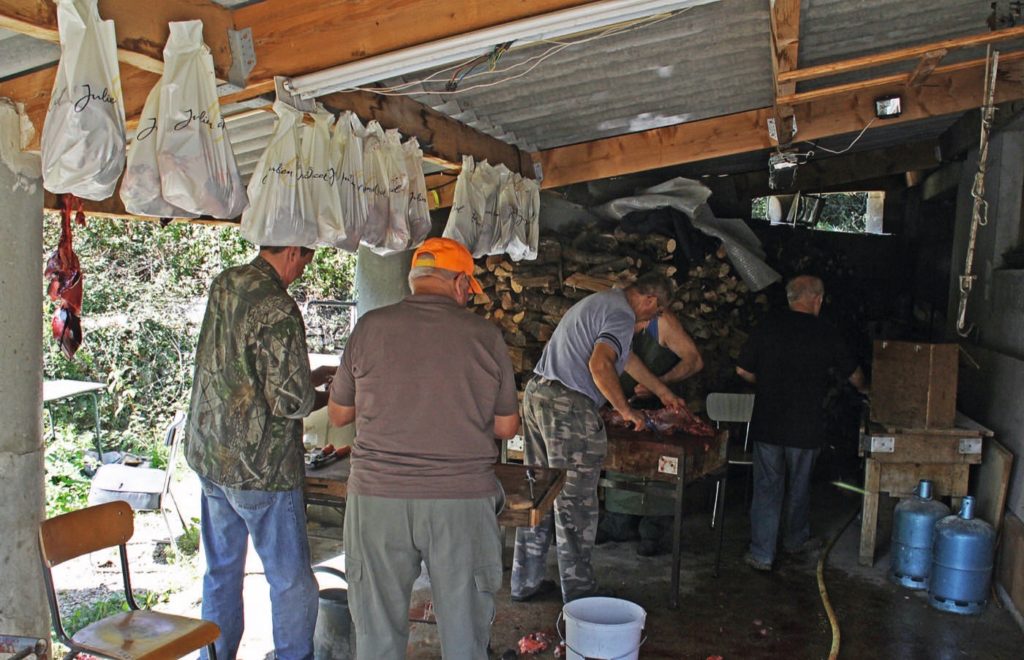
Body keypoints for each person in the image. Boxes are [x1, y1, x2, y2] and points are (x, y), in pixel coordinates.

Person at [327, 237, 520, 659]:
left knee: (377, 637)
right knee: (465, 636)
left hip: (377, 500)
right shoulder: (484, 336)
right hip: (460, 502)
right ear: (462, 285)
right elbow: (507, 427)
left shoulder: (369, 328)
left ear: (415, 280)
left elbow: (339, 415)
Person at [185, 244, 335, 660]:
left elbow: (236, 365)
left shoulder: (226, 283)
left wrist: (311, 376)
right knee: (290, 581)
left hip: (211, 457)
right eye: (305, 261)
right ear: (291, 251)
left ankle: (214, 656)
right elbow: (291, 402)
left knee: (221, 572)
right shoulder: (278, 307)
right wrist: (326, 393)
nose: (303, 270)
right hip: (261, 470)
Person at [510, 273, 685, 603]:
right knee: (575, 503)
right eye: (655, 315)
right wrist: (626, 410)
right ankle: (579, 593)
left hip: (538, 395)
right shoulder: (622, 313)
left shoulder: (604, 302)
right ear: (650, 302)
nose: (649, 323)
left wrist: (663, 392)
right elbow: (601, 364)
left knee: (538, 491)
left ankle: (525, 581)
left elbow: (625, 359)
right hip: (568, 406)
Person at [736, 275, 865, 572]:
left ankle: (762, 554)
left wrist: (765, 381)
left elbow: (742, 369)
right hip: (805, 427)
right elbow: (854, 375)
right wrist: (867, 388)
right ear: (817, 299)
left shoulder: (769, 326)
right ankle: (795, 541)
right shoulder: (825, 331)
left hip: (768, 422)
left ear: (791, 298)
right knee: (799, 487)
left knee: (767, 487)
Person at [599, 310, 704, 556]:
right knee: (620, 464)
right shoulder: (614, 320)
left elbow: (694, 360)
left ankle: (653, 531)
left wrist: (659, 383)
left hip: (660, 412)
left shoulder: (663, 323)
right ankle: (618, 524)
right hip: (623, 408)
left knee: (657, 470)